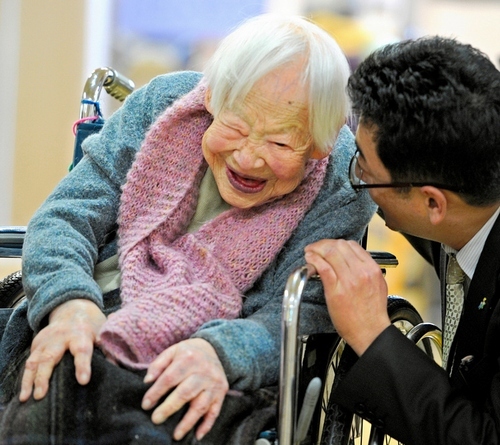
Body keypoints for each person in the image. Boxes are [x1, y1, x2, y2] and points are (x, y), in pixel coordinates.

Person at [0, 13, 376, 444]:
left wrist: (219, 353)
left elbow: (300, 311)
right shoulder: (163, 106)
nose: (249, 158)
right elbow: (66, 215)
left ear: (320, 143)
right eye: (235, 127)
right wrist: (68, 303)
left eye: (279, 142)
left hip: (205, 350)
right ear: (213, 99)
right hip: (88, 310)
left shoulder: (341, 181)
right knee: (63, 372)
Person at [305, 36, 500, 444]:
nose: (355, 176)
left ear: (432, 203)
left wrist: (372, 334)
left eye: (364, 167)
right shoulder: (471, 202)